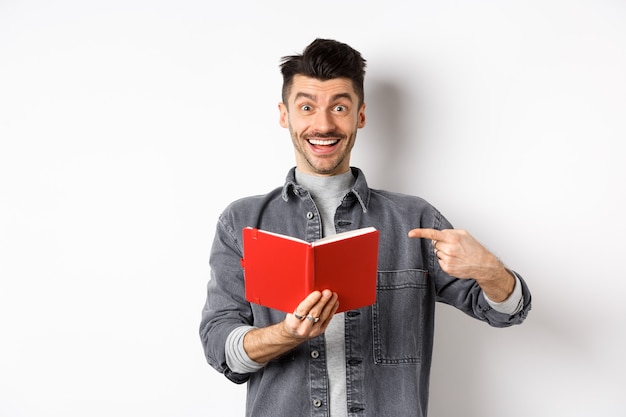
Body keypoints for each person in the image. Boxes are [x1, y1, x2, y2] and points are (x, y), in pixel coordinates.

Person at [199, 38, 532, 417]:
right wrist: (286, 334)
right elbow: (219, 346)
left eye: (339, 107)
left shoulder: (415, 220)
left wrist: (490, 271)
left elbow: (507, 311)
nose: (323, 124)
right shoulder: (242, 222)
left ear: (360, 115)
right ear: (284, 114)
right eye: (306, 106)